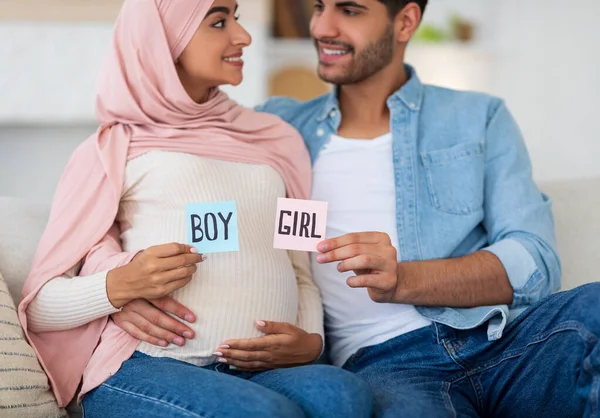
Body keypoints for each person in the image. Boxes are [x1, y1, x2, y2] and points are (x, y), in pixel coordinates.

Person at [111, 0, 600, 417]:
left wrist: (405, 278)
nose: (322, 27)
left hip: (503, 339)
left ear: (405, 22)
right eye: (320, 6)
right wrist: (119, 283)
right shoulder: (275, 131)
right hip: (388, 368)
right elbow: (154, 185)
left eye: (349, 9)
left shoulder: (477, 117)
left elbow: (535, 260)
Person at [17, 1, 373, 417]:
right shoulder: (112, 149)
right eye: (218, 22)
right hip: (148, 365)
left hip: (261, 370)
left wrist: (310, 340)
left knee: (344, 396)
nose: (242, 36)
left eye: (237, 19)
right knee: (265, 413)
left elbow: (299, 267)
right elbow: (40, 304)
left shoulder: (279, 141)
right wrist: (119, 285)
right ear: (164, 39)